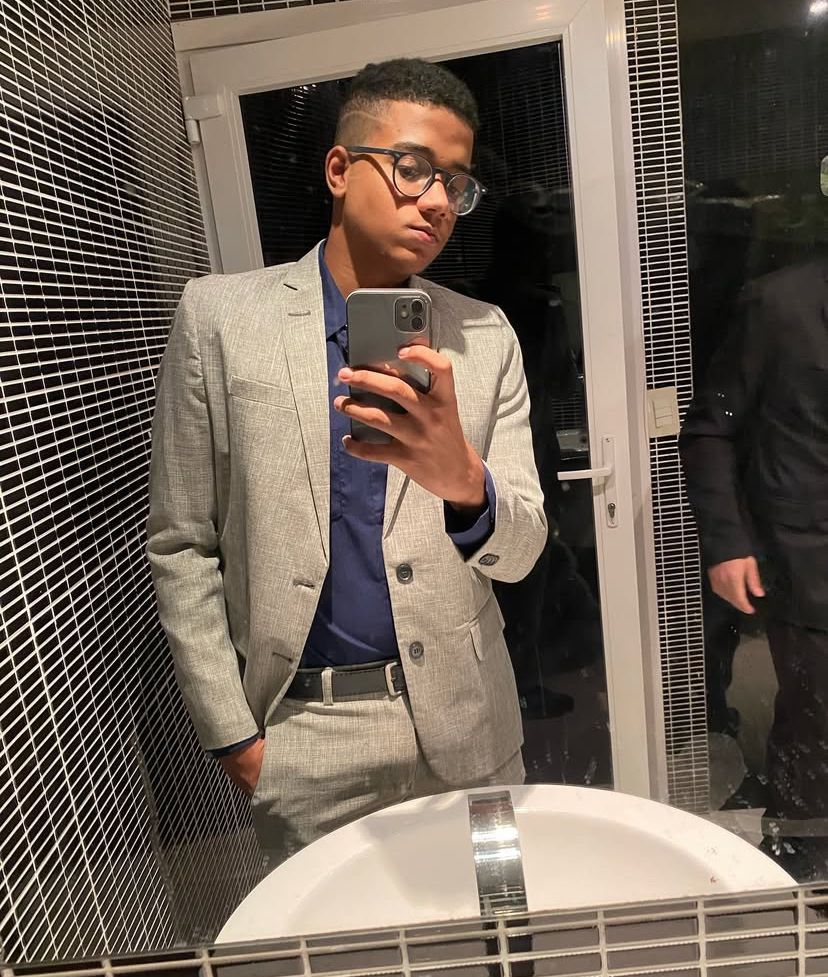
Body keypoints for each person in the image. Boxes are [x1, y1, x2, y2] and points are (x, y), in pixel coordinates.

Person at [147, 58, 547, 865]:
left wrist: (464, 484)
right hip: (305, 741)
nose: (437, 201)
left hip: (471, 725)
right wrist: (234, 737)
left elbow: (524, 549)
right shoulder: (220, 318)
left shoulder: (486, 336)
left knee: (497, 922)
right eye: (413, 168)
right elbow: (182, 542)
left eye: (456, 183)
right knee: (333, 934)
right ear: (339, 169)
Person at [679, 257, 828, 878]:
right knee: (814, 716)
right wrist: (726, 543)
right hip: (808, 557)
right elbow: (710, 430)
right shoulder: (778, 304)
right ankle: (798, 847)